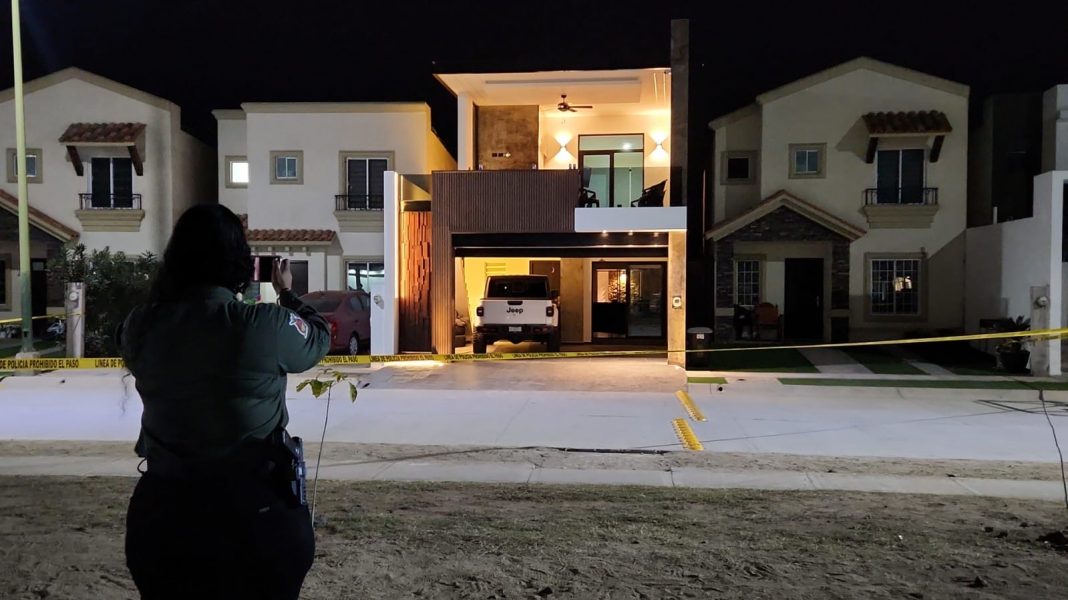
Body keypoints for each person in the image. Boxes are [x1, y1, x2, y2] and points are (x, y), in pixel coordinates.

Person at [118, 204, 330, 599]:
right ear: (239, 262)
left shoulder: (140, 325)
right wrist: (287, 293)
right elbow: (318, 339)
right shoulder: (261, 325)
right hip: (253, 518)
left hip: (163, 518)